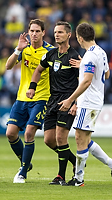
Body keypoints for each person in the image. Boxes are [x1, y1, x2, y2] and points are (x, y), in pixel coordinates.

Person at [58, 22, 112, 187]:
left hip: (88, 102)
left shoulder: (89, 55)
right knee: (85, 140)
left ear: (80, 38)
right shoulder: (101, 52)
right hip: (96, 101)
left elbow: (87, 81)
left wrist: (70, 100)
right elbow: (107, 74)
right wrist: (84, 66)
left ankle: (78, 179)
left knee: (80, 139)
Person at [26, 21, 79, 185]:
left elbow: (82, 81)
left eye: (61, 32)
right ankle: (76, 162)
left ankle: (60, 177)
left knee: (60, 137)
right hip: (52, 101)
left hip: (68, 100)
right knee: (49, 140)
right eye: (55, 32)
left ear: (69, 35)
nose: (57, 35)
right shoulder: (50, 54)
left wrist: (76, 103)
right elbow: (38, 70)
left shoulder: (74, 56)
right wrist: (32, 87)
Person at [5, 19, 54, 184]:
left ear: (43, 33)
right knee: (10, 133)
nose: (34, 34)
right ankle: (26, 163)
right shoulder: (23, 49)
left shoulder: (50, 51)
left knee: (28, 133)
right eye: (31, 31)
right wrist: (17, 50)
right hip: (21, 98)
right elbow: (8, 66)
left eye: (37, 31)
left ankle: (22, 173)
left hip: (41, 98)